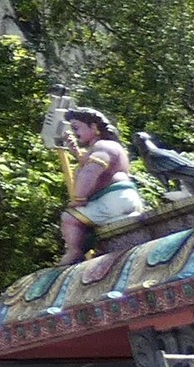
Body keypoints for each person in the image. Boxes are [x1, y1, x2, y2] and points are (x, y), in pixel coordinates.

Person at [61, 106, 149, 263]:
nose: (75, 133)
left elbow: (90, 173)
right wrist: (77, 154)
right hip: (123, 200)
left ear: (94, 127)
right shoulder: (110, 147)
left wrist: (79, 198)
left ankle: (74, 251)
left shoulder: (102, 147)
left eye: (77, 128)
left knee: (69, 218)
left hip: (112, 201)